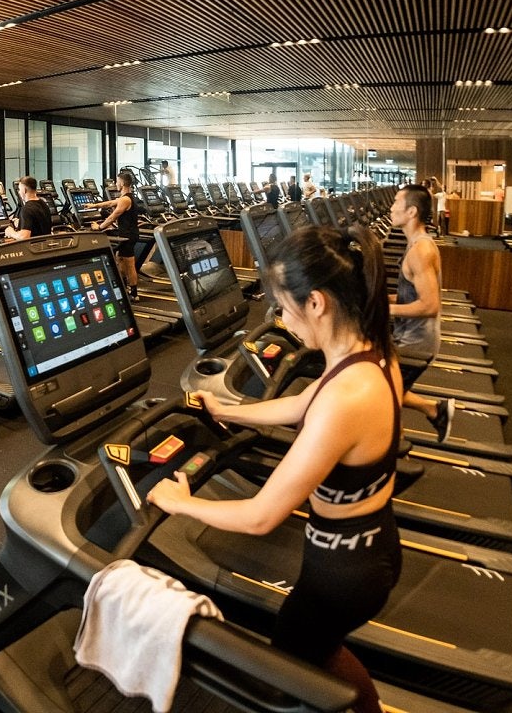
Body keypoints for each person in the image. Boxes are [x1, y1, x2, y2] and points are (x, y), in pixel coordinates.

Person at [147, 224, 402, 713]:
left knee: (295, 664)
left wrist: (184, 504)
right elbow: (302, 404)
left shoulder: (348, 396)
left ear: (317, 303)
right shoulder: (366, 354)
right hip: (369, 544)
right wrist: (228, 410)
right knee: (317, 652)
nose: (283, 320)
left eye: (285, 306)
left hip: (345, 569)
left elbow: (262, 517)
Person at [387, 184, 454, 440]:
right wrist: (380, 300)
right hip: (411, 338)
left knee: (383, 397)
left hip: (416, 343)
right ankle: (434, 411)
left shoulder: (420, 251)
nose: (391, 208)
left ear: (411, 211)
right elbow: (411, 296)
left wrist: (387, 309)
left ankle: (395, 461)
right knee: (386, 390)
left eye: (396, 203)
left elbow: (429, 305)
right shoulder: (415, 245)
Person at [90, 171, 140, 299]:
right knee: (120, 259)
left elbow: (113, 216)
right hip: (127, 234)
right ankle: (124, 288)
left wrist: (99, 227)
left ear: (122, 183)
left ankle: (134, 293)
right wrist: (94, 205)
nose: (115, 183)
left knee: (129, 263)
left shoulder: (125, 199)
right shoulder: (127, 197)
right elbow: (111, 203)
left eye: (117, 181)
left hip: (128, 235)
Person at [4, 175, 52, 240]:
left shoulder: (26, 209)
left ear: (24, 190)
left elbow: (24, 237)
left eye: (19, 189)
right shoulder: (43, 204)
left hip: (33, 247)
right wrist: (21, 223)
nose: (19, 192)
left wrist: (11, 232)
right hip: (44, 245)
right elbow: (38, 225)